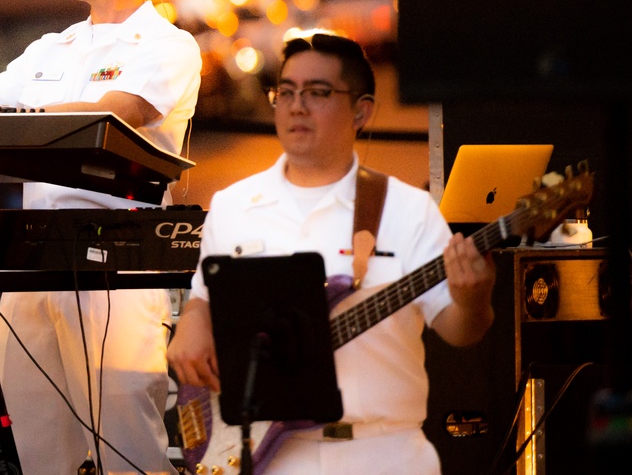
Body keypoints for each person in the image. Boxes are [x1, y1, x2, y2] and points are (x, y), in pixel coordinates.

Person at [167, 32, 495, 475]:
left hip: (386, 453)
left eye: (317, 93)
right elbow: (207, 301)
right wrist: (191, 321)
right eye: (285, 92)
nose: (296, 106)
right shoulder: (232, 205)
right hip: (273, 457)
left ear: (361, 111)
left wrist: (473, 297)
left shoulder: (407, 209)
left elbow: (460, 330)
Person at [0, 0, 202, 475]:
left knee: (124, 447)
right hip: (29, 260)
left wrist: (13, 124)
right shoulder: (49, 48)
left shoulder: (168, 45)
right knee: (34, 445)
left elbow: (109, 117)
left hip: (112, 260)